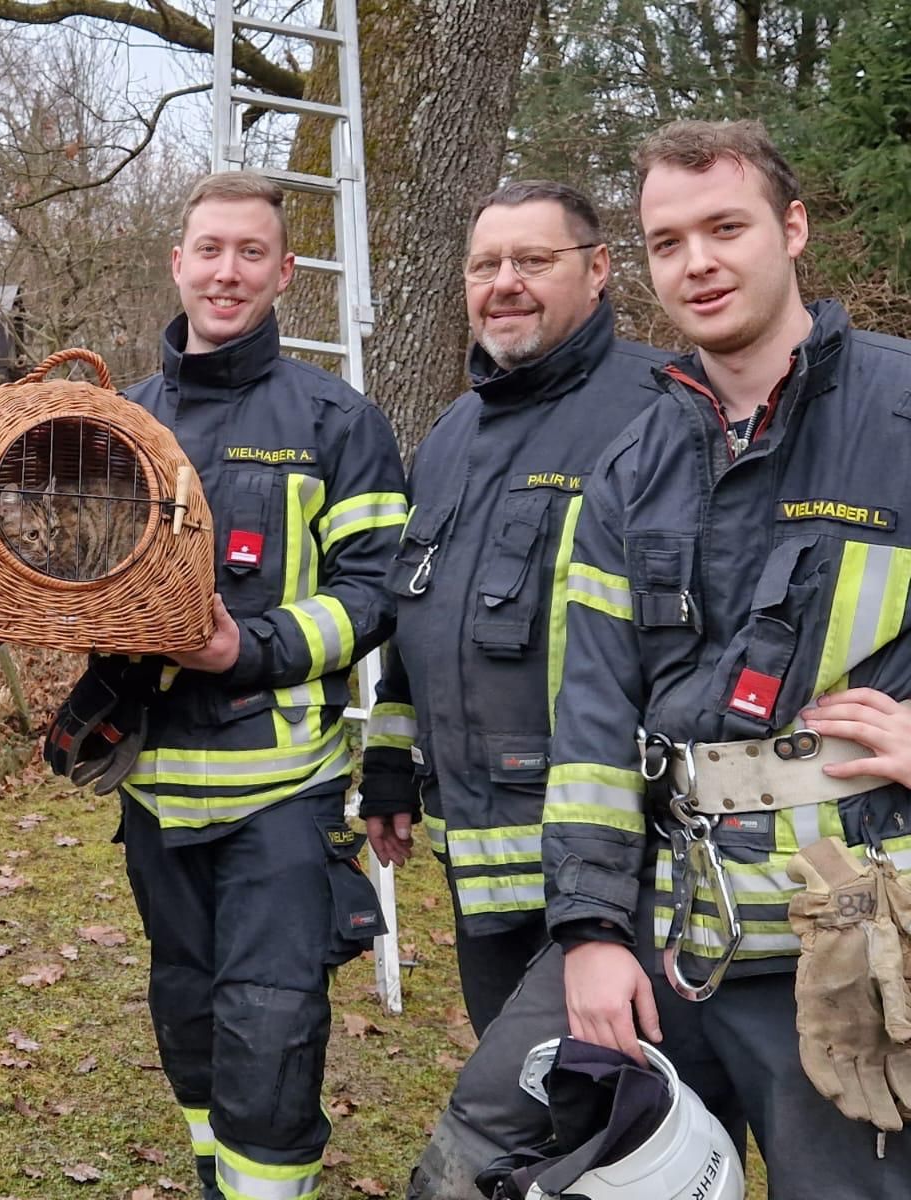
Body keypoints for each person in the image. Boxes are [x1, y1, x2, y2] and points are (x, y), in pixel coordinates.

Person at [412, 118, 911, 1200]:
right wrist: (592, 932)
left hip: (850, 938)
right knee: (501, 1165)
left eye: (725, 227)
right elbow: (591, 713)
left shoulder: (898, 410)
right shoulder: (635, 460)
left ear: (791, 228)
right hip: (673, 930)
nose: (698, 262)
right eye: (667, 240)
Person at [57, 170, 407, 1200]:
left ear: (284, 272)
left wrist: (244, 650)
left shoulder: (335, 422)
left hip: (279, 793)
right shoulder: (121, 418)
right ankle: (225, 1180)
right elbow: (70, 566)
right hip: (155, 792)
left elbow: (374, 593)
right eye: (208, 249)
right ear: (177, 262)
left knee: (270, 1022)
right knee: (191, 1016)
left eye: (250, 252)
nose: (226, 270)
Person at [362, 180, 666, 1037]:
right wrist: (389, 760)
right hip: (483, 868)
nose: (505, 283)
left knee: (627, 1130)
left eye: (534, 260)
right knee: (530, 1114)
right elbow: (421, 615)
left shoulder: (664, 411)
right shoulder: (453, 434)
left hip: (622, 872)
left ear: (599, 269)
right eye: (485, 265)